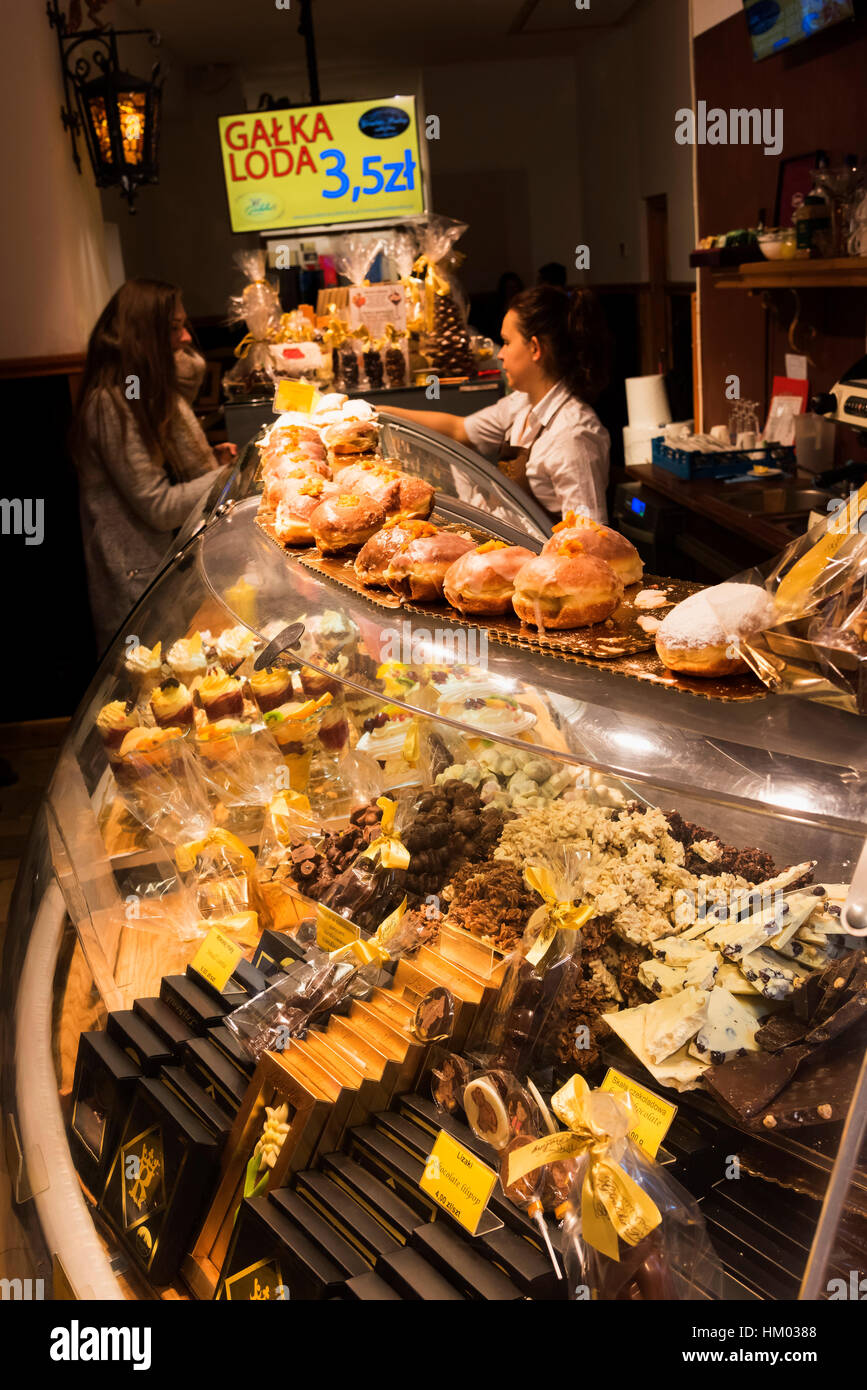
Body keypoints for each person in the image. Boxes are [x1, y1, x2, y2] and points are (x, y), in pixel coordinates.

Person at [73, 279, 237, 651]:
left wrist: (215, 460)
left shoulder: (138, 391)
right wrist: (227, 472)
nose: (185, 339)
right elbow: (158, 508)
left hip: (159, 569)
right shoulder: (112, 404)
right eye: (173, 328)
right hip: (136, 580)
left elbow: (158, 467)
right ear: (143, 336)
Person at [387, 286, 611, 523]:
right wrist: (379, 412)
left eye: (506, 342)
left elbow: (588, 537)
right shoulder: (521, 404)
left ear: (535, 348)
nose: (500, 354)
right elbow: (458, 429)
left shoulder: (573, 435)